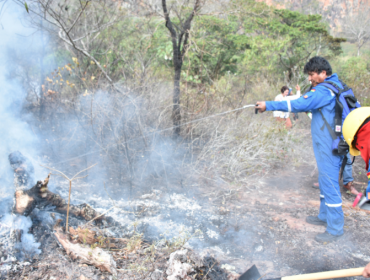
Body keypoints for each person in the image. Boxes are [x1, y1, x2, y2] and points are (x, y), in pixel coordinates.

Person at [256, 56, 344, 243]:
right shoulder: (334, 87)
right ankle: (324, 216)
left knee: (329, 183)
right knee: (324, 179)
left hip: (330, 146)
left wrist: (268, 105)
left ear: (323, 73)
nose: (310, 79)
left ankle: (335, 228)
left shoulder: (324, 91)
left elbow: (298, 104)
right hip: (327, 144)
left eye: (312, 75)